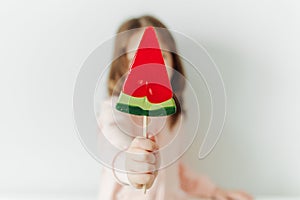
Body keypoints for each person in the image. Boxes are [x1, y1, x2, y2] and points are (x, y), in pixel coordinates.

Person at [98, 15, 253, 200]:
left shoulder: (173, 117)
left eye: (161, 56)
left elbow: (177, 171)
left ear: (174, 63)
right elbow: (112, 151)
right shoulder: (114, 112)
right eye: (138, 58)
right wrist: (132, 165)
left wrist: (215, 192)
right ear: (122, 68)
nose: (152, 66)